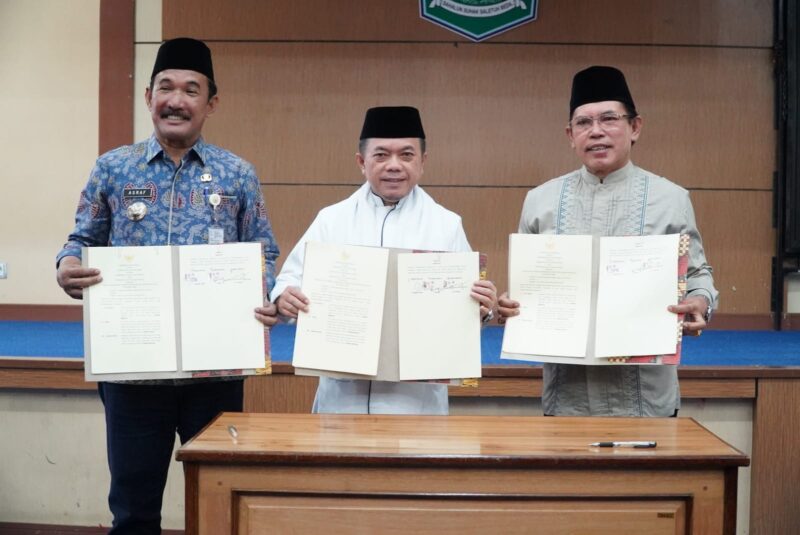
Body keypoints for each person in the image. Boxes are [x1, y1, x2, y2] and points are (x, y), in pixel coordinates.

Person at [55, 38, 279, 533]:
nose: (176, 99)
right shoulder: (113, 168)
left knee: (221, 498)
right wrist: (66, 267)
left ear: (210, 103)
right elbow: (80, 240)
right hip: (133, 372)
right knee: (133, 508)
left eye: (191, 89)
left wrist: (262, 290)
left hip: (215, 369)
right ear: (148, 97)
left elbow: (264, 251)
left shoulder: (237, 174)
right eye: (166, 87)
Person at [497, 66, 718, 417]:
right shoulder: (540, 200)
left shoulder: (671, 197)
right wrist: (511, 307)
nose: (596, 131)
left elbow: (698, 273)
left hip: (646, 397)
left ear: (635, 127)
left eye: (609, 119)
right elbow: (530, 287)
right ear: (570, 135)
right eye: (584, 123)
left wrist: (699, 301)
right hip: (566, 397)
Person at [272, 106, 497, 415]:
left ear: (423, 163)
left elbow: (467, 315)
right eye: (381, 156)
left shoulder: (446, 225)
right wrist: (284, 297)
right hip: (342, 398)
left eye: (406, 155)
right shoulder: (331, 220)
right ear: (361, 162)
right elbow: (289, 281)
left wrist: (482, 308)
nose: (394, 166)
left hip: (416, 402)